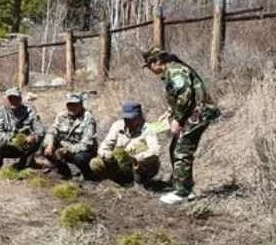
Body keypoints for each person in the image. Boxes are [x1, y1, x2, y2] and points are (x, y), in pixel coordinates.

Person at [142, 47, 220, 205]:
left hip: (199, 113)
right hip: (194, 113)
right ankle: (185, 188)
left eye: (150, 64)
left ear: (157, 61)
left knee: (181, 149)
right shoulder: (173, 70)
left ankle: (183, 192)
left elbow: (186, 94)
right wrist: (170, 111)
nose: (150, 69)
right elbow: (181, 95)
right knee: (176, 147)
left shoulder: (175, 71)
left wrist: (177, 119)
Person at [89, 101, 161, 185]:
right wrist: (107, 155)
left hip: (138, 165)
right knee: (95, 163)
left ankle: (139, 181)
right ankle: (119, 181)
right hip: (119, 164)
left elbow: (155, 150)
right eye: (126, 118)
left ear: (139, 117)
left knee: (149, 162)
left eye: (131, 119)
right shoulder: (117, 125)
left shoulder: (148, 128)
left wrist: (137, 158)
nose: (128, 121)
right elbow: (104, 146)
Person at [42, 93, 98, 178]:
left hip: (82, 150)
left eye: (76, 105)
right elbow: (52, 131)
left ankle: (88, 174)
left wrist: (68, 150)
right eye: (70, 104)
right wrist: (50, 144)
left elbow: (86, 144)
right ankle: (64, 171)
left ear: (81, 105)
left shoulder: (88, 118)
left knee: (80, 158)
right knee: (45, 147)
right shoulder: (61, 116)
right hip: (64, 148)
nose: (72, 107)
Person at [0, 88, 44, 170]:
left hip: (26, 144)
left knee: (43, 135)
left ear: (20, 99)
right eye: (10, 99)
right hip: (9, 145)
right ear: (6, 100)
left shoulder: (29, 110)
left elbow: (40, 129)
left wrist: (34, 136)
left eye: (16, 98)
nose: (13, 101)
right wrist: (14, 140)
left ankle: (27, 161)